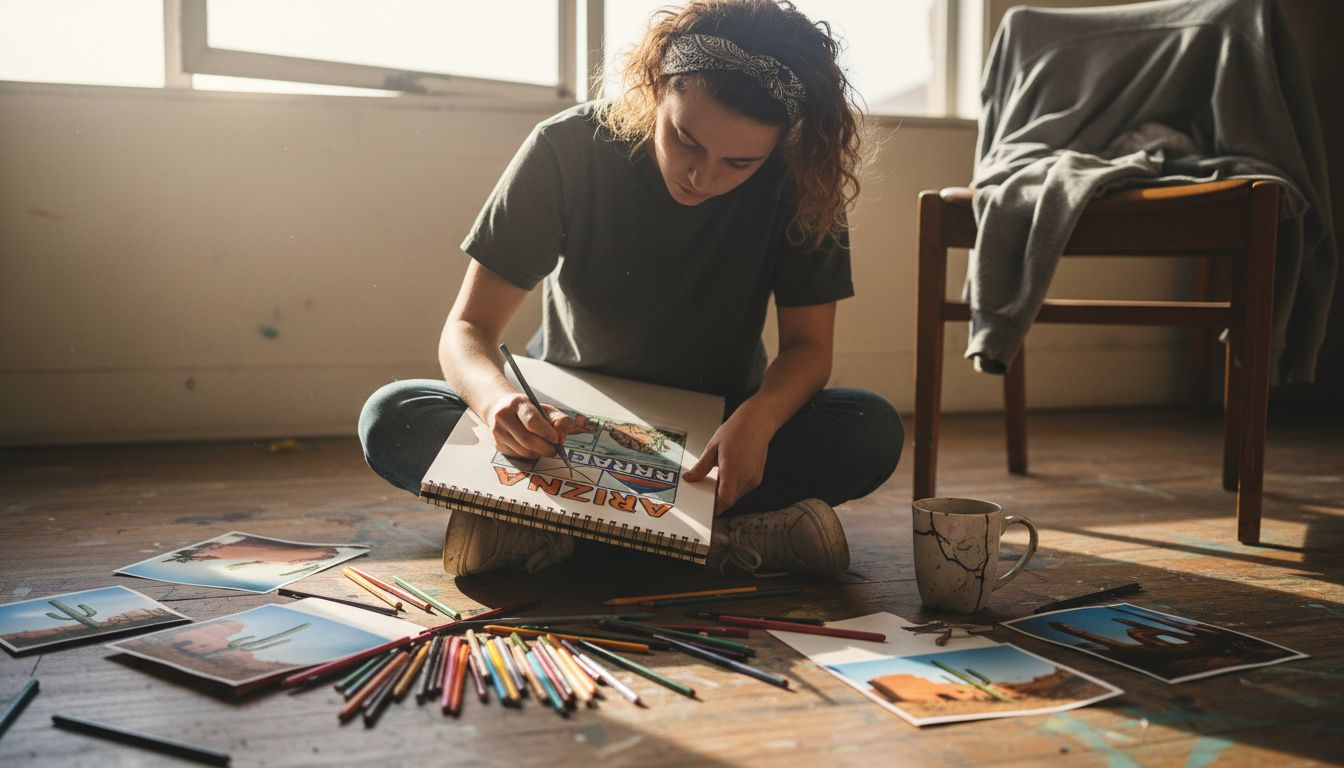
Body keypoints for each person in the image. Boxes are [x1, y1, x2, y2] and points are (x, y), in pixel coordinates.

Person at [359, 0, 902, 578]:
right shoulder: (566, 148)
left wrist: (761, 419)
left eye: (739, 163)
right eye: (686, 140)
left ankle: (546, 529)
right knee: (393, 415)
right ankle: (728, 537)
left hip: (713, 441)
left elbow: (809, 350)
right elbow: (468, 330)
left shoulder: (802, 179)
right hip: (567, 434)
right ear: (654, 89)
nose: (703, 176)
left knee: (870, 430)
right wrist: (497, 403)